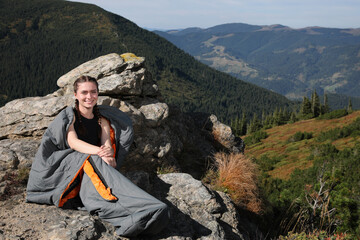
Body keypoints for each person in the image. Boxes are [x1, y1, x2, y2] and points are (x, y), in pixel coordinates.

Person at [26, 76, 169, 237]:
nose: (89, 96)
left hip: (89, 170)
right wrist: (99, 152)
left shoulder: (102, 120)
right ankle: (146, 208)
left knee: (96, 188)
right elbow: (73, 143)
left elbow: (107, 143)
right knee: (91, 159)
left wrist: (107, 153)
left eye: (93, 92)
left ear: (98, 93)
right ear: (75, 95)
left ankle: (134, 220)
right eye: (84, 92)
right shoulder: (69, 116)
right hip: (65, 170)